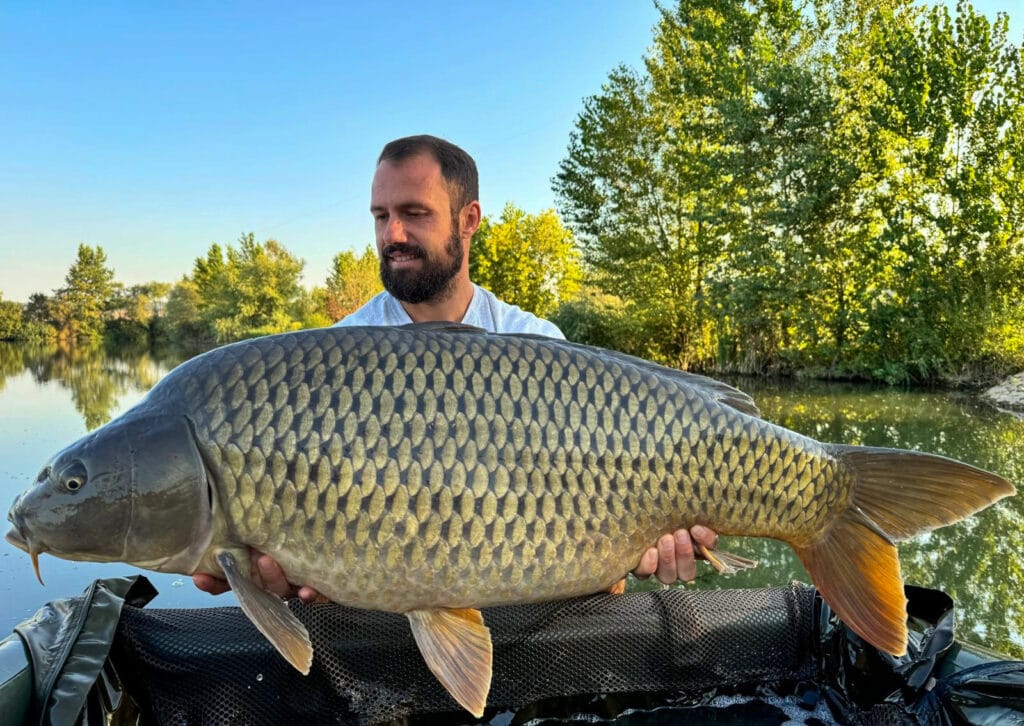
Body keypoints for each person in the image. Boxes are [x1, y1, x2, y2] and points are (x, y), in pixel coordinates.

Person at [193, 135, 718, 601]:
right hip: (383, 636)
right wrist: (303, 579)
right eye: (380, 216)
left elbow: (606, 560)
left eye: (414, 213)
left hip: (530, 629)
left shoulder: (538, 346)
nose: (392, 234)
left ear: (468, 220)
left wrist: (642, 552)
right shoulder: (336, 359)